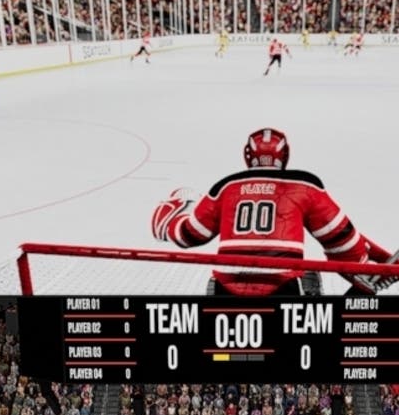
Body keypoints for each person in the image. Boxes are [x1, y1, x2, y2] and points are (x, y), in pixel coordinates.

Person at [152, 126, 380, 298]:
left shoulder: (225, 187)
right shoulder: (305, 185)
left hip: (225, 290)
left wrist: (169, 220)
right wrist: (367, 267)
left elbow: (189, 235)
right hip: (282, 288)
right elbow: (342, 241)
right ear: (285, 155)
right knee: (310, 278)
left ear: (247, 155)